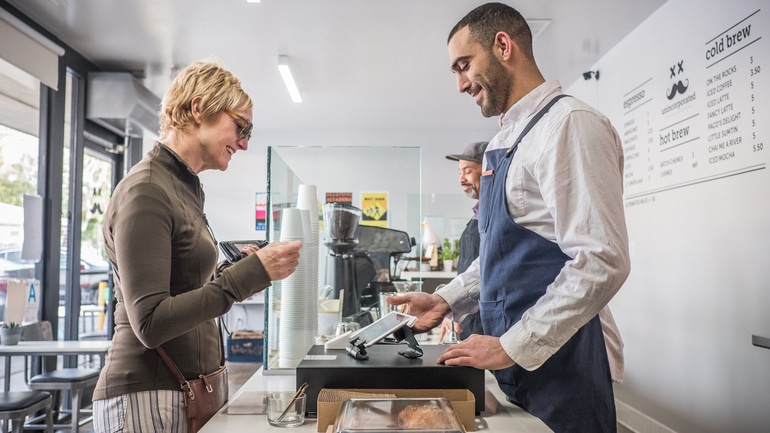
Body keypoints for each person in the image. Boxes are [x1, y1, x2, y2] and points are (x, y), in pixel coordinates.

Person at [389, 3, 630, 432]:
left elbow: (602, 260)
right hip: (516, 366)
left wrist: (512, 345)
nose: (461, 84)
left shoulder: (569, 124)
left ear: (502, 45)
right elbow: (501, 255)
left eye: (464, 66)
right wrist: (445, 299)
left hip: (565, 365)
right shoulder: (506, 139)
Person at [92, 59, 302, 433]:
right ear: (198, 108)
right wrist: (244, 278)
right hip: (147, 394)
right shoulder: (148, 190)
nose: (245, 142)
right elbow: (152, 322)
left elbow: (184, 291)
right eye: (240, 126)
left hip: (180, 391)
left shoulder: (183, 187)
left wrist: (233, 272)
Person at [442, 141, 488, 341]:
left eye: (468, 171)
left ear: (488, 171)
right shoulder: (478, 214)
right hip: (468, 316)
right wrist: (454, 308)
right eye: (460, 171)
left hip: (487, 320)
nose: (461, 178)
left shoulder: (498, 214)